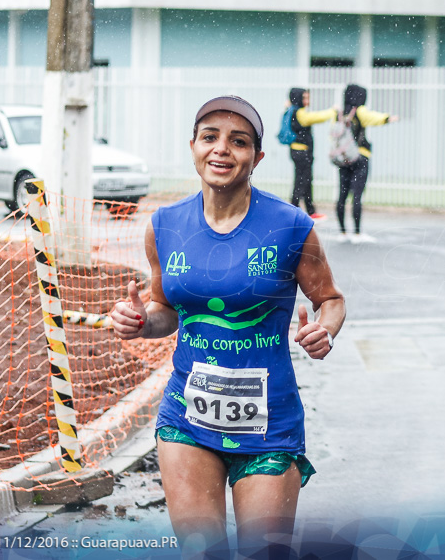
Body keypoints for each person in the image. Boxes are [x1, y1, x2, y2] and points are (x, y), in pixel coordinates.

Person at [110, 95, 345, 559]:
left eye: (238, 142)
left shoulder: (290, 226)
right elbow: (166, 310)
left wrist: (325, 329)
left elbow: (330, 300)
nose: (221, 150)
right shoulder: (165, 225)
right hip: (187, 419)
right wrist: (141, 322)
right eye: (210, 137)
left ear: (257, 158)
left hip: (269, 424)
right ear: (193, 147)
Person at [334, 84, 399, 244]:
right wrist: (388, 118)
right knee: (357, 195)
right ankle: (357, 233)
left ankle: (342, 232)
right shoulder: (359, 111)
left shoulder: (340, 113)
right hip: (360, 157)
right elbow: (373, 118)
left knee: (342, 195)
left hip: (344, 159)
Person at [285, 87, 338, 219]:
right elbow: (316, 117)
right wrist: (332, 111)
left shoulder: (292, 110)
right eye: (304, 98)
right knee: (301, 181)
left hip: (300, 151)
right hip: (301, 152)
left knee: (306, 181)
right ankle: (294, 209)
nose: (307, 101)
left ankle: (310, 210)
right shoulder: (300, 113)